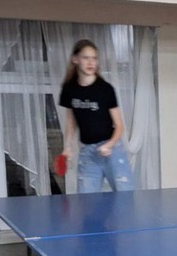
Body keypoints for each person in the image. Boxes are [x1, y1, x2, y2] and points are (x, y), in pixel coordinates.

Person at [58, 39, 135, 193]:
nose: (90, 62)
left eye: (94, 58)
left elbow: (119, 126)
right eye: (86, 58)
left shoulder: (105, 89)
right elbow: (71, 123)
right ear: (75, 59)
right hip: (88, 152)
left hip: (112, 150)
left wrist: (110, 144)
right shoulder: (69, 89)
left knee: (125, 197)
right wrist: (67, 147)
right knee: (87, 201)